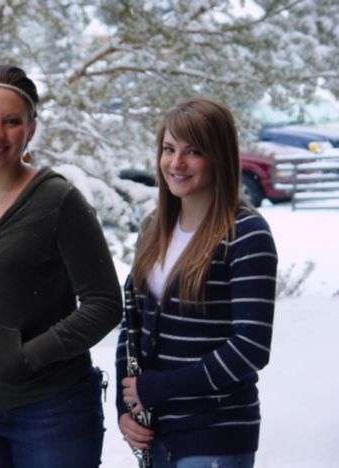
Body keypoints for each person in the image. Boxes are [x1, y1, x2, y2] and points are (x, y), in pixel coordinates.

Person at [0, 64, 122, 468]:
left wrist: (28, 357)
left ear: (31, 129)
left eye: (12, 121)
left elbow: (105, 303)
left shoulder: (57, 202)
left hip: (52, 408)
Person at [115, 97, 278, 467]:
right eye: (169, 149)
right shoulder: (154, 228)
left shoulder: (247, 234)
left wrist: (159, 388)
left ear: (219, 156)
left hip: (214, 434)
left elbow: (250, 348)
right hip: (159, 431)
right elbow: (133, 325)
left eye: (194, 151)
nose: (177, 163)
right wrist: (126, 404)